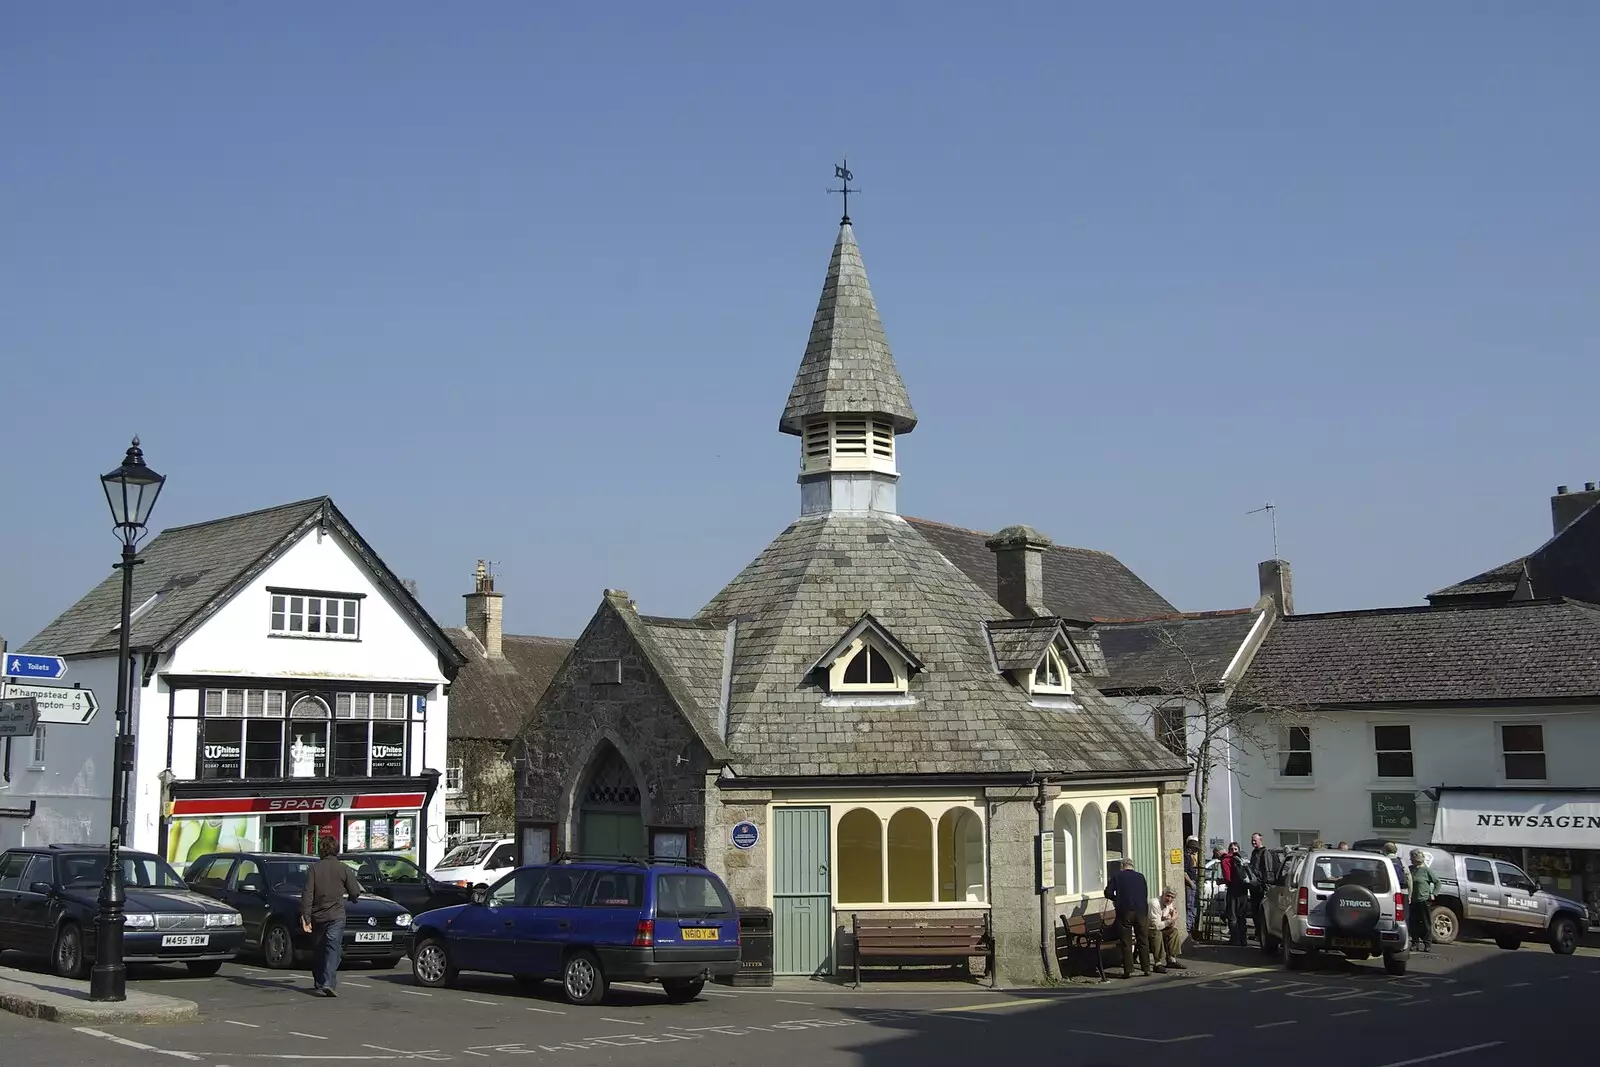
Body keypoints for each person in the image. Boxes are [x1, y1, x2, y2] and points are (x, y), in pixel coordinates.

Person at [300, 835, 363, 997]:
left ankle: (320, 981)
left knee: (320, 949)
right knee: (332, 948)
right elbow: (355, 891)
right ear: (336, 849)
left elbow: (308, 894)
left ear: (321, 850)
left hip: (318, 916)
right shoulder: (343, 868)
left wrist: (305, 916)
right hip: (336, 916)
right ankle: (327, 982)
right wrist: (353, 898)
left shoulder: (315, 868)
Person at [1105, 858, 1158, 977]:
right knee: (1143, 940)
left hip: (1125, 912)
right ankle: (1146, 969)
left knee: (1126, 941)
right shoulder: (1141, 877)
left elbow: (1107, 892)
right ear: (1132, 866)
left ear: (1122, 866)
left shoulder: (1117, 876)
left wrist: (1116, 899)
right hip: (1141, 912)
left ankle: (1129, 970)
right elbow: (1145, 893)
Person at [1408, 850, 1440, 953]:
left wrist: (1434, 894)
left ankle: (1427, 944)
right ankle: (1414, 943)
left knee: (1425, 923)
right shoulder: (1411, 869)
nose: (1411, 860)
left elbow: (1437, 882)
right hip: (1412, 900)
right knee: (1413, 923)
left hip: (1423, 900)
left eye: (1413, 858)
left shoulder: (1426, 870)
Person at [1220, 841, 1250, 946]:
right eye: (1232, 849)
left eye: (1235, 849)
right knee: (1242, 916)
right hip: (1244, 891)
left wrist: (1222, 881)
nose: (1233, 851)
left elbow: (1227, 878)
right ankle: (1243, 939)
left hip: (1233, 890)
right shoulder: (1243, 859)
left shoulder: (1226, 860)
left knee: (1232, 916)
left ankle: (1235, 939)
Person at [1151, 887, 1187, 970]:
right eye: (1167, 896)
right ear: (1163, 894)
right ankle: (1157, 963)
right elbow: (1156, 926)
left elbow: (1170, 924)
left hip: (1161, 926)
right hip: (1149, 928)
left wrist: (1171, 919)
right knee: (1157, 933)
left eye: (1172, 897)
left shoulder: (1169, 904)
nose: (1169, 899)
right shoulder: (1155, 903)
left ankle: (1172, 960)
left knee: (1174, 931)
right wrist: (1172, 919)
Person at [1248, 832, 1268, 941]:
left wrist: (1264, 884)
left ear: (1260, 840)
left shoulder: (1264, 852)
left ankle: (1261, 933)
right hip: (1253, 886)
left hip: (1260, 886)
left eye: (1255, 840)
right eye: (1252, 840)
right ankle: (1257, 932)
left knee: (1260, 911)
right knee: (1254, 911)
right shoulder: (1254, 852)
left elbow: (1265, 870)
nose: (1253, 842)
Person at [1182, 836, 1201, 935]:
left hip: (1192, 882)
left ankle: (1191, 928)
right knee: (1190, 906)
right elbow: (1184, 872)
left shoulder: (1189, 856)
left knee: (1193, 907)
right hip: (1190, 884)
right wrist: (1191, 883)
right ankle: (1188, 929)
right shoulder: (1186, 856)